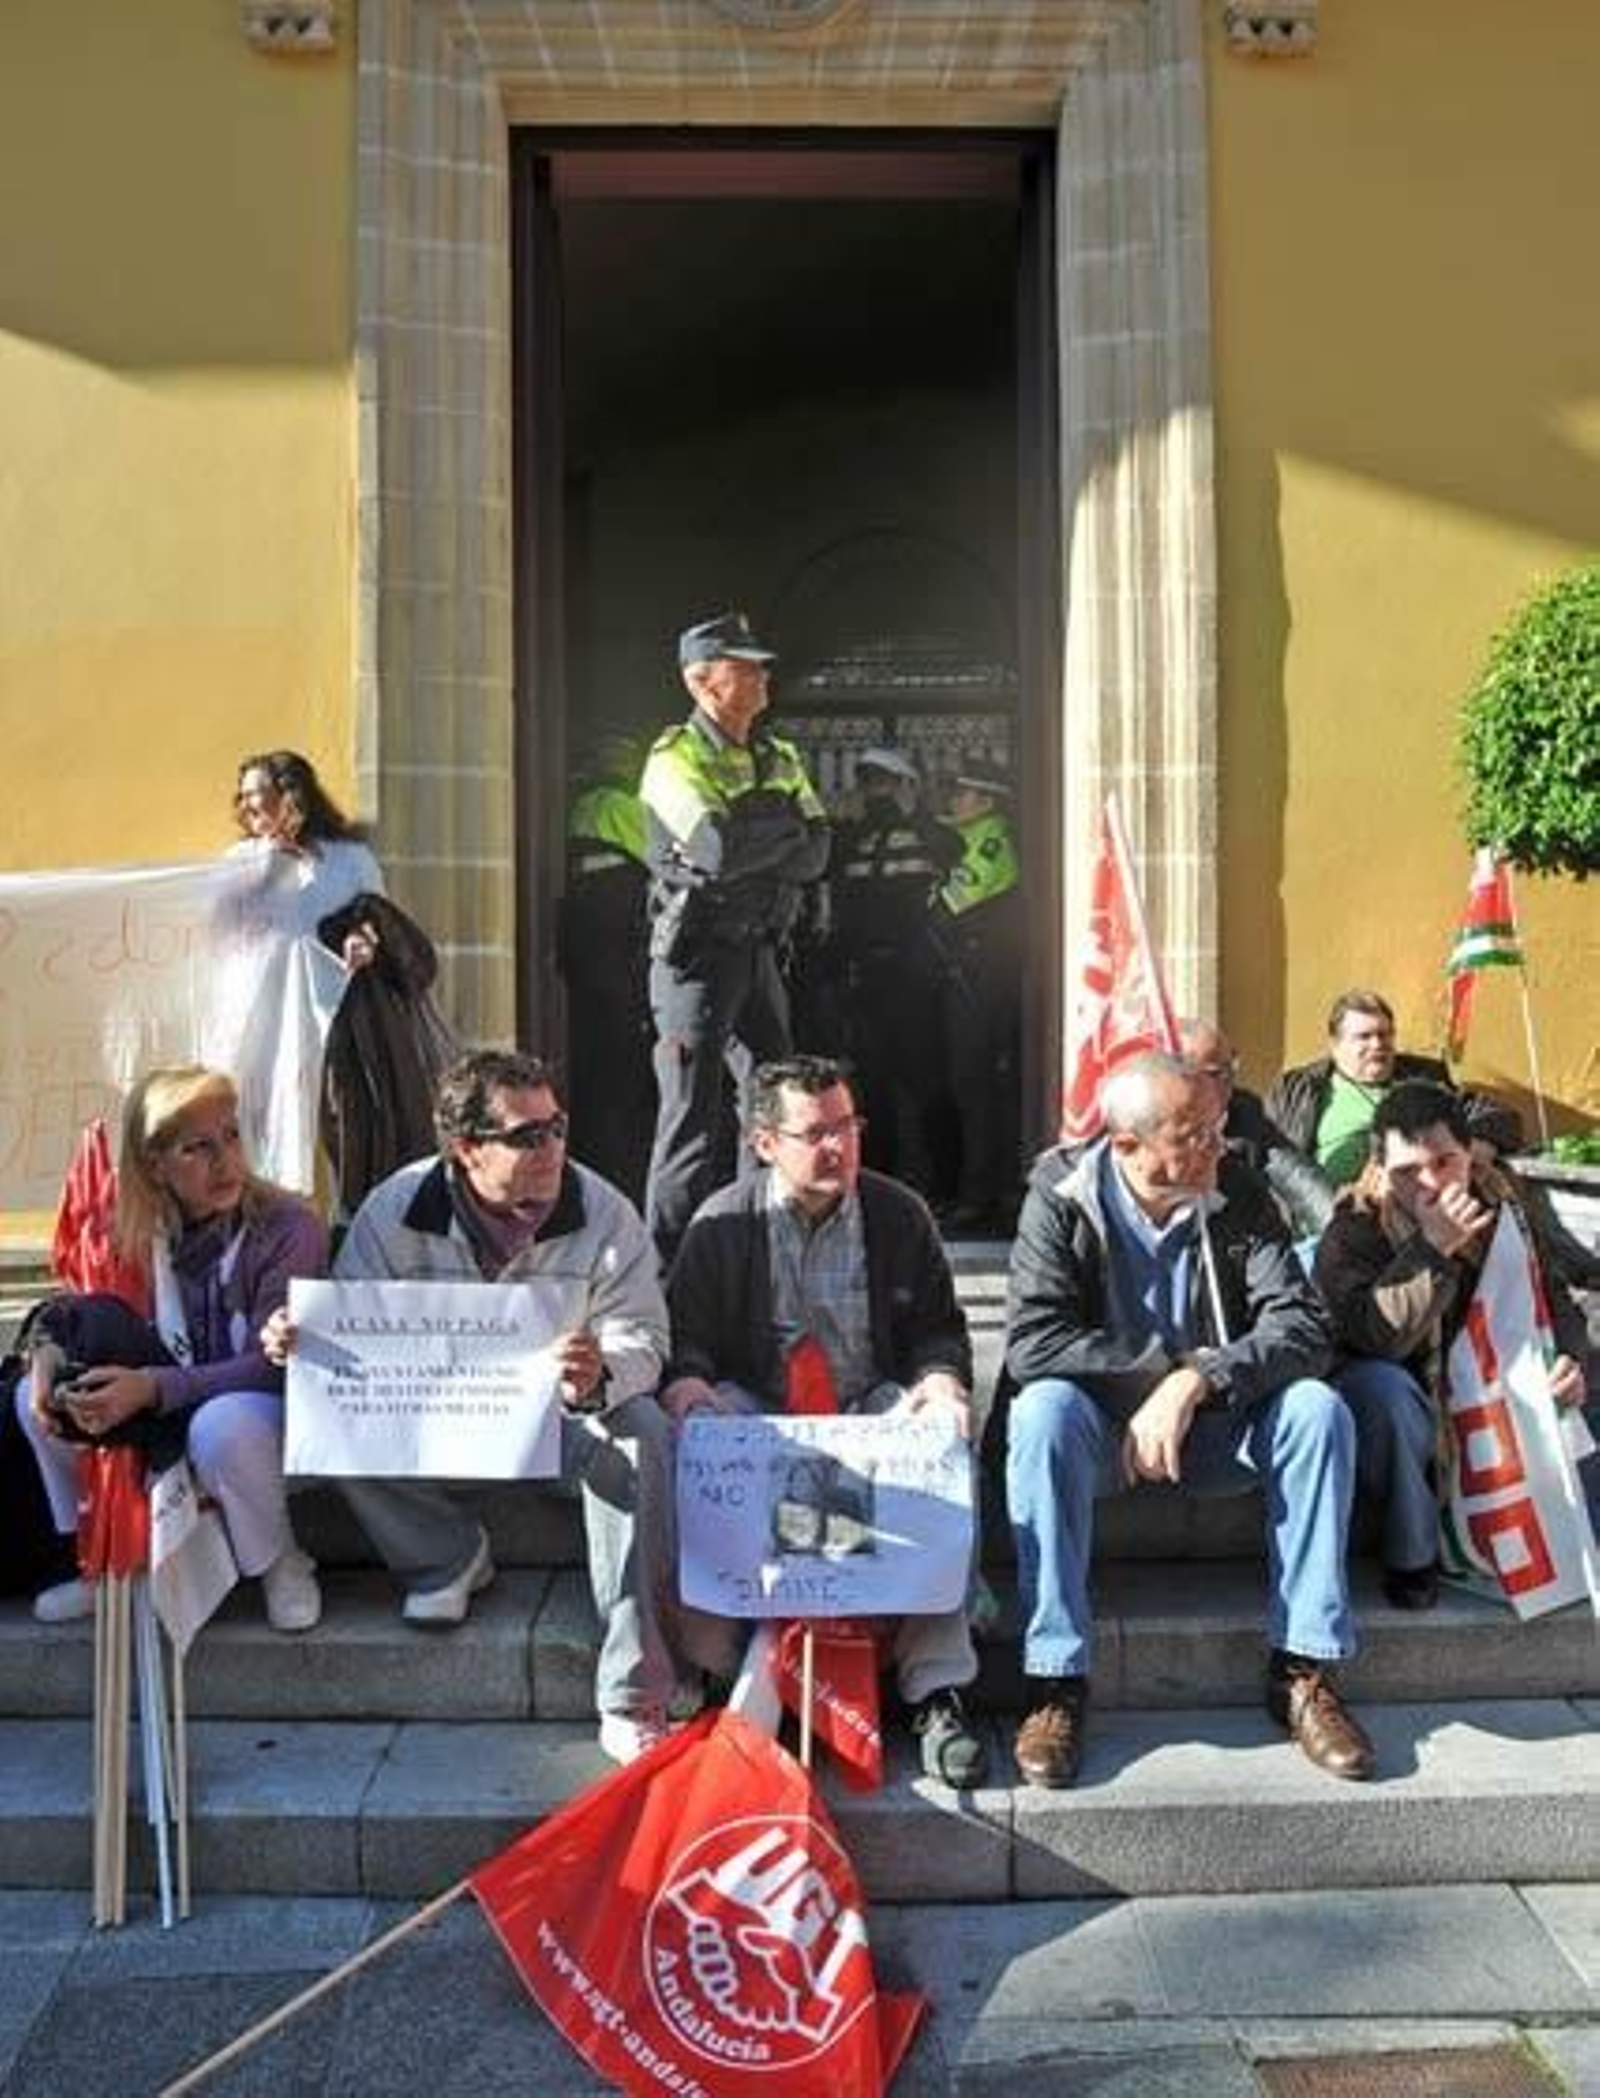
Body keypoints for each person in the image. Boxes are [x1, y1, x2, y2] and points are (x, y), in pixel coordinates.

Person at [289, 1047, 701, 1765]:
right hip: (436, 1418)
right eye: (525, 1135)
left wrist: (603, 1371)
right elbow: (350, 1323)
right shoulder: (394, 1209)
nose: (551, 1148)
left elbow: (647, 1335)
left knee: (640, 1429)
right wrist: (302, 1340)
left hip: (559, 1418)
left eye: (556, 1126)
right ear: (465, 1149)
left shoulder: (603, 1210)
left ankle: (635, 1692)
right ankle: (444, 1555)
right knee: (329, 1399)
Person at [1004, 1051, 1373, 1789]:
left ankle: (1303, 1668)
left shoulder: (1235, 1188)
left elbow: (1301, 1328)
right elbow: (1032, 1343)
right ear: (1129, 1145)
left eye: (1215, 1127)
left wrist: (1198, 1379)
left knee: (1316, 1410)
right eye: (1192, 1134)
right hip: (1103, 1431)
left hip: (1218, 1423)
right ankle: (1057, 1681)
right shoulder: (1061, 1193)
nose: (1217, 1145)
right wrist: (1159, 1375)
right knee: (1041, 1411)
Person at [662, 1053, 990, 1787]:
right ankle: (715, 1671)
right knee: (704, 1448)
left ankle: (935, 1685)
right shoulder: (721, 1225)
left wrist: (939, 1382)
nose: (838, 1147)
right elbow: (687, 1339)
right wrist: (687, 1384)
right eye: (816, 1132)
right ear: (765, 1141)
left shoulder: (898, 1214)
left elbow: (941, 1328)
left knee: (941, 1451)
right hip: (763, 1401)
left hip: (867, 1395)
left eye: (848, 1127)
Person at [16, 1065, 326, 1632]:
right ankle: (103, 1563)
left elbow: (269, 1368)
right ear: (154, 1164)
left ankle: (280, 1557)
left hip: (251, 1406)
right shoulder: (122, 1228)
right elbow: (77, 1314)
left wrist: (157, 1388)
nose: (226, 1161)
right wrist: (47, 1358)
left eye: (232, 1137)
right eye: (198, 1148)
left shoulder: (288, 1226)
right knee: (34, 1399)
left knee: (223, 1425)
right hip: (152, 1403)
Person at [1314, 1080, 1592, 1610]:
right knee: (1387, 1391)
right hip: (1394, 1397)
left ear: (1470, 1155)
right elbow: (1376, 1337)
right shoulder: (1353, 1229)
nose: (1430, 1183)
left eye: (1445, 1162)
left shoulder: (1505, 1209)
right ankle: (1412, 1556)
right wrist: (1433, 1250)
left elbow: (1551, 1298)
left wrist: (1568, 1358)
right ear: (1380, 1168)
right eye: (1407, 1171)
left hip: (1484, 1384)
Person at [639, 612, 830, 1265]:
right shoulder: (673, 760)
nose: (762, 674)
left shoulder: (780, 755)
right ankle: (669, 1268)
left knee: (773, 1106)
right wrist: (777, 832)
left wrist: (759, 834)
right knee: (690, 1117)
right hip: (697, 957)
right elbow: (715, 851)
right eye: (744, 665)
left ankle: (761, 1249)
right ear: (702, 681)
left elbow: (819, 852)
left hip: (757, 949)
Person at [210, 750, 448, 1213]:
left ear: (291, 794)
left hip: (339, 1016)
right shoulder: (239, 862)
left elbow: (378, 916)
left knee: (344, 1121)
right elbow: (215, 932)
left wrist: (363, 938)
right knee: (267, 1122)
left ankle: (346, 1231)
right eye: (242, 798)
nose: (248, 806)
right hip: (266, 1019)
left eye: (257, 794)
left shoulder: (349, 859)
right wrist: (261, 873)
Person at [828, 747, 962, 1193]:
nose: (875, 792)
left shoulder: (932, 835)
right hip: (866, 979)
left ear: (907, 785)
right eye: (868, 783)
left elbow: (952, 852)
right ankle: (877, 1184)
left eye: (886, 782)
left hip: (916, 980)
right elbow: (827, 876)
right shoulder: (854, 837)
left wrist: (914, 814)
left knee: (929, 1086)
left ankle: (945, 1189)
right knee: (871, 1090)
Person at [1267, 988, 1521, 1194]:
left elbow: (1501, 1117)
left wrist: (1472, 1145)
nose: (1378, 1044)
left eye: (1385, 1035)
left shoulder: (1423, 1079)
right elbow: (1269, 1158)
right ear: (1335, 1045)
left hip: (1414, 1215)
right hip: (1324, 1221)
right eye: (1364, 1037)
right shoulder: (1297, 1090)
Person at [557, 731, 654, 1200]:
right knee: (625, 1083)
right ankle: (622, 1177)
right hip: (625, 966)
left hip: (580, 968)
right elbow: (676, 860)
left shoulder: (571, 807)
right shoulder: (620, 807)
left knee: (592, 1077)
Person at [930, 765, 1021, 1231]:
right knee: (966, 1087)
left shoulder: (990, 841)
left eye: (961, 792)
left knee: (978, 1087)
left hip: (983, 981)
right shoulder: (966, 837)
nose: (953, 800)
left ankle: (984, 1194)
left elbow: (946, 905)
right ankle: (975, 1189)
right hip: (967, 977)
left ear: (987, 801)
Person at [1179, 1018, 1334, 1240]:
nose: (1231, 1079)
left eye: (1232, 1066)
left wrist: (1341, 1225)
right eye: (1215, 1072)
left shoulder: (1243, 1110)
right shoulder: (1150, 1126)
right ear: (1182, 1076)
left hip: (1246, 1241)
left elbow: (1293, 1172)